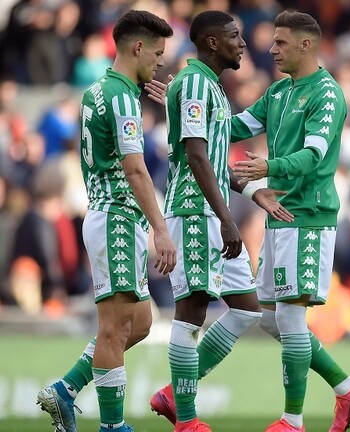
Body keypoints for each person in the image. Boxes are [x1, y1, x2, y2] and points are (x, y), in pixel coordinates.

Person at [145, 10, 293, 432]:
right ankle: (186, 419)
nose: (242, 43)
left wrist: (250, 193)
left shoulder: (206, 85)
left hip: (212, 211)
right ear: (212, 42)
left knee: (247, 310)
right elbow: (196, 156)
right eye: (233, 36)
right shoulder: (195, 82)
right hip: (195, 211)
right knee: (191, 309)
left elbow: (209, 156)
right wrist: (228, 218)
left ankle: (175, 394)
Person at [232, 10, 350, 432]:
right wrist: (187, 109)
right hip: (279, 215)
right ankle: (347, 388)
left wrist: (268, 167)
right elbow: (234, 127)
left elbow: (313, 156)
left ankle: (292, 420)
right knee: (269, 317)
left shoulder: (326, 94)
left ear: (306, 44)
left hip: (308, 216)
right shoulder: (278, 92)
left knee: (291, 318)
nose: (272, 49)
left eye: (281, 42)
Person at [36, 10, 176, 432]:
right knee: (115, 329)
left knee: (142, 322)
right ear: (138, 47)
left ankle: (66, 389)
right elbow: (135, 168)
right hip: (116, 217)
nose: (160, 62)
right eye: (157, 53)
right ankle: (112, 426)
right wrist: (161, 228)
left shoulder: (98, 90)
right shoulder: (120, 97)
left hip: (112, 217)